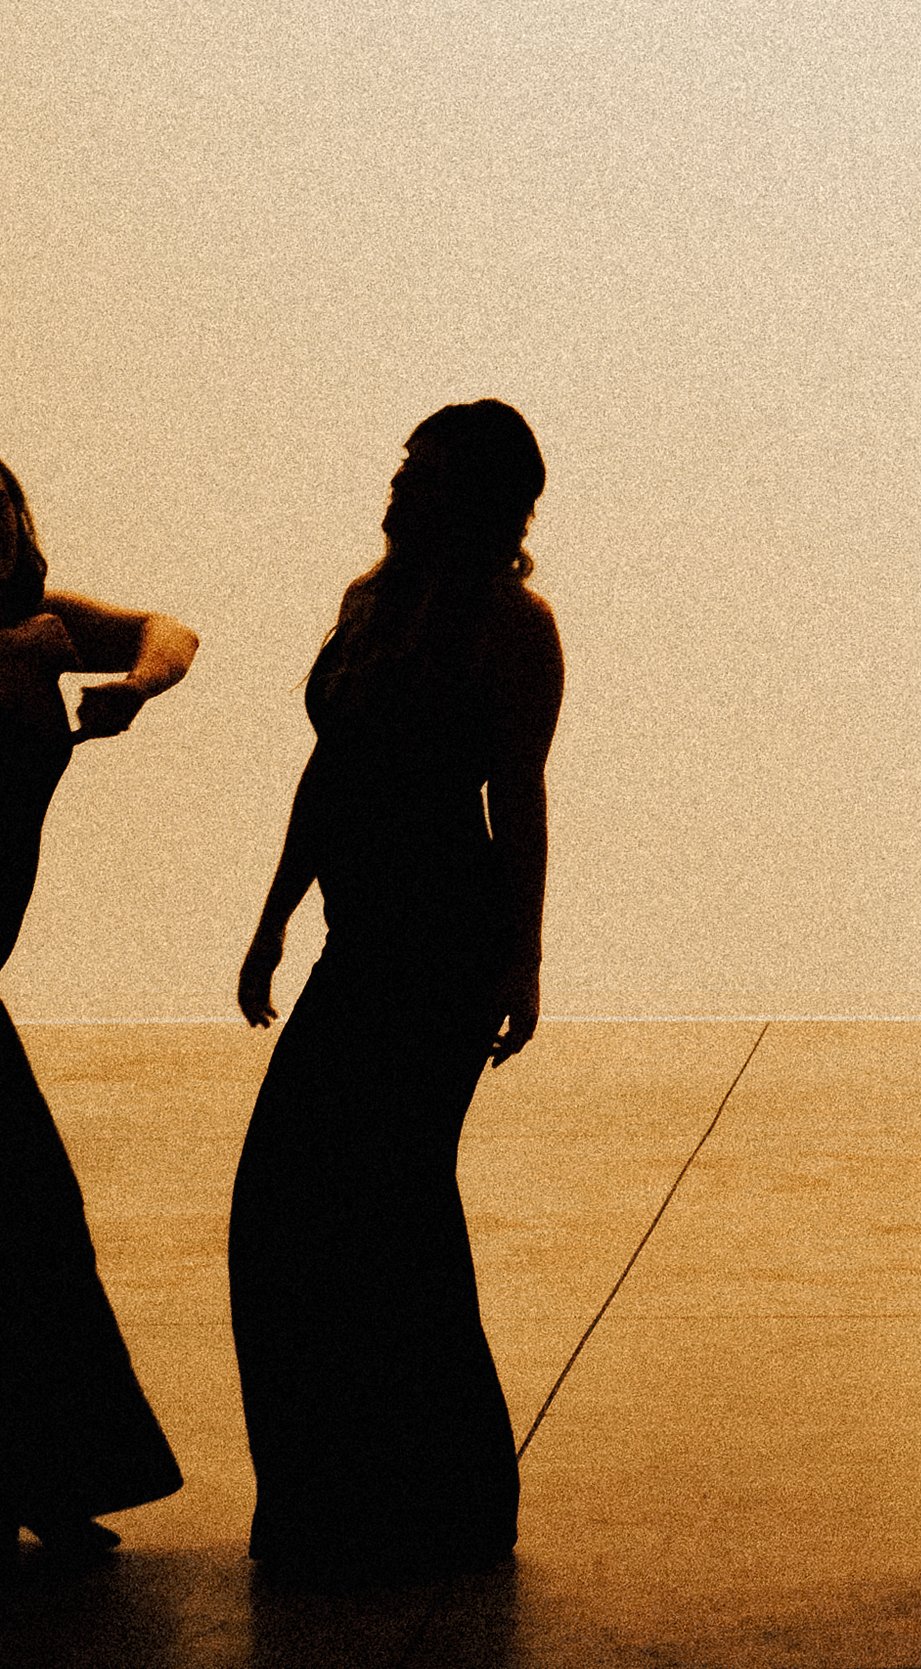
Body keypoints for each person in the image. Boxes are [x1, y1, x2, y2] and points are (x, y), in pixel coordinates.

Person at [229, 400, 562, 1586]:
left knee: (386, 1212)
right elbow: (329, 769)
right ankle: (342, 1495)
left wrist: (520, 961)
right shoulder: (368, 608)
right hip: (357, 939)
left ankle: (441, 1501)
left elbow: (515, 800)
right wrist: (273, 917)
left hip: (438, 952)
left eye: (421, 467)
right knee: (305, 1215)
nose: (397, 478)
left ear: (469, 493)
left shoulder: (513, 627)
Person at [0, 458, 194, 1563]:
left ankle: (52, 1473)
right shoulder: (28, 639)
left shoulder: (47, 623)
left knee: (30, 1223)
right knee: (24, 1216)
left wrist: (137, 685)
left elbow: (172, 630)